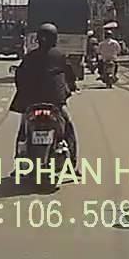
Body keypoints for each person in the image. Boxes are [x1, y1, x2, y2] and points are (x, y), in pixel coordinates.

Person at [11, 23, 78, 162]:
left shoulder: (30, 56)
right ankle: (72, 159)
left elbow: (19, 76)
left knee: (23, 127)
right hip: (54, 102)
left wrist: (22, 92)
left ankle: (19, 157)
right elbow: (70, 75)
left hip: (31, 102)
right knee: (67, 125)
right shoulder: (60, 56)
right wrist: (71, 87)